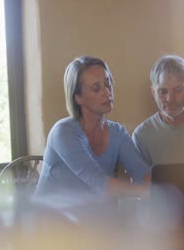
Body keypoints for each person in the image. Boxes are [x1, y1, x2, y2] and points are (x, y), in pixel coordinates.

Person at [35, 56, 150, 197]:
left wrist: (166, 190)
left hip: (90, 216)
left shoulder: (118, 133)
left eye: (108, 84)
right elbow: (100, 183)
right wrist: (148, 192)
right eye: (96, 88)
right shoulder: (63, 132)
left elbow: (143, 174)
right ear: (78, 97)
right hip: (49, 217)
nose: (107, 93)